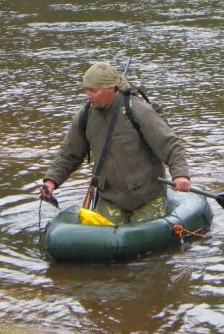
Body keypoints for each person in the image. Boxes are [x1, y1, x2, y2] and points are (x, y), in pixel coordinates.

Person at [39, 62, 192, 224]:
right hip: (111, 198)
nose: (88, 95)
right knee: (102, 239)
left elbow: (170, 144)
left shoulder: (138, 110)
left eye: (93, 90)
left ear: (110, 89)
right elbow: (69, 153)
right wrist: (51, 181)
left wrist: (180, 174)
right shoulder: (85, 115)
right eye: (86, 89)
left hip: (147, 198)